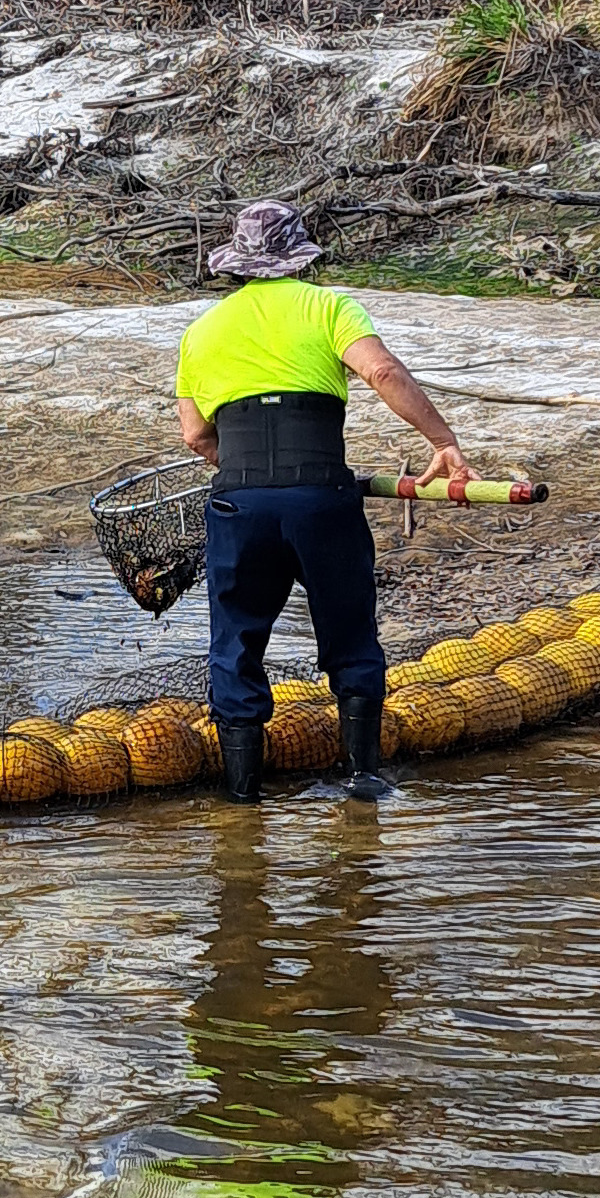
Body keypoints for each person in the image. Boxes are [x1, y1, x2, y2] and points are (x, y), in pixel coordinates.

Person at [174, 199, 473, 806]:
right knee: (349, 630)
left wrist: (252, 477)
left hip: (239, 502)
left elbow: (195, 436)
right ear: (301, 259)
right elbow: (383, 372)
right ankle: (364, 780)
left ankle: (243, 800)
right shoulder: (328, 305)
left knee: (236, 642)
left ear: (236, 264)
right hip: (322, 499)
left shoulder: (202, 331)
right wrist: (444, 443)